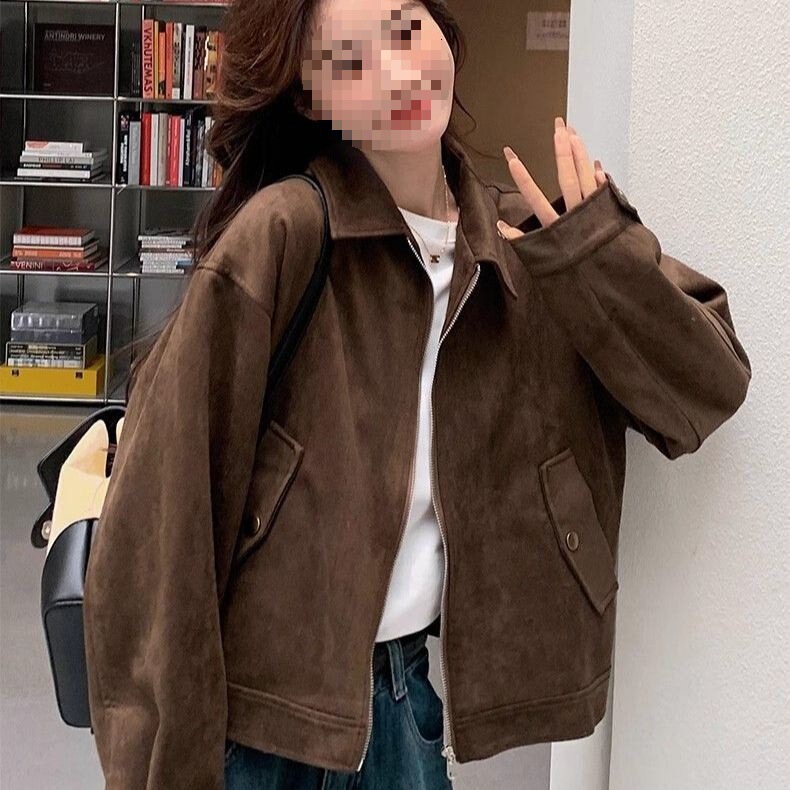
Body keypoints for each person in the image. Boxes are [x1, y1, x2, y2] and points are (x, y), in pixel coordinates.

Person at [81, 0, 752, 788]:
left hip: (406, 703)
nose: (398, 70)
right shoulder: (282, 234)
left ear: (442, 32)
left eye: (406, 28)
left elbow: (702, 395)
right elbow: (158, 532)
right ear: (311, 98)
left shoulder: (532, 245)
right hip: (258, 723)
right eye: (351, 60)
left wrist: (602, 256)